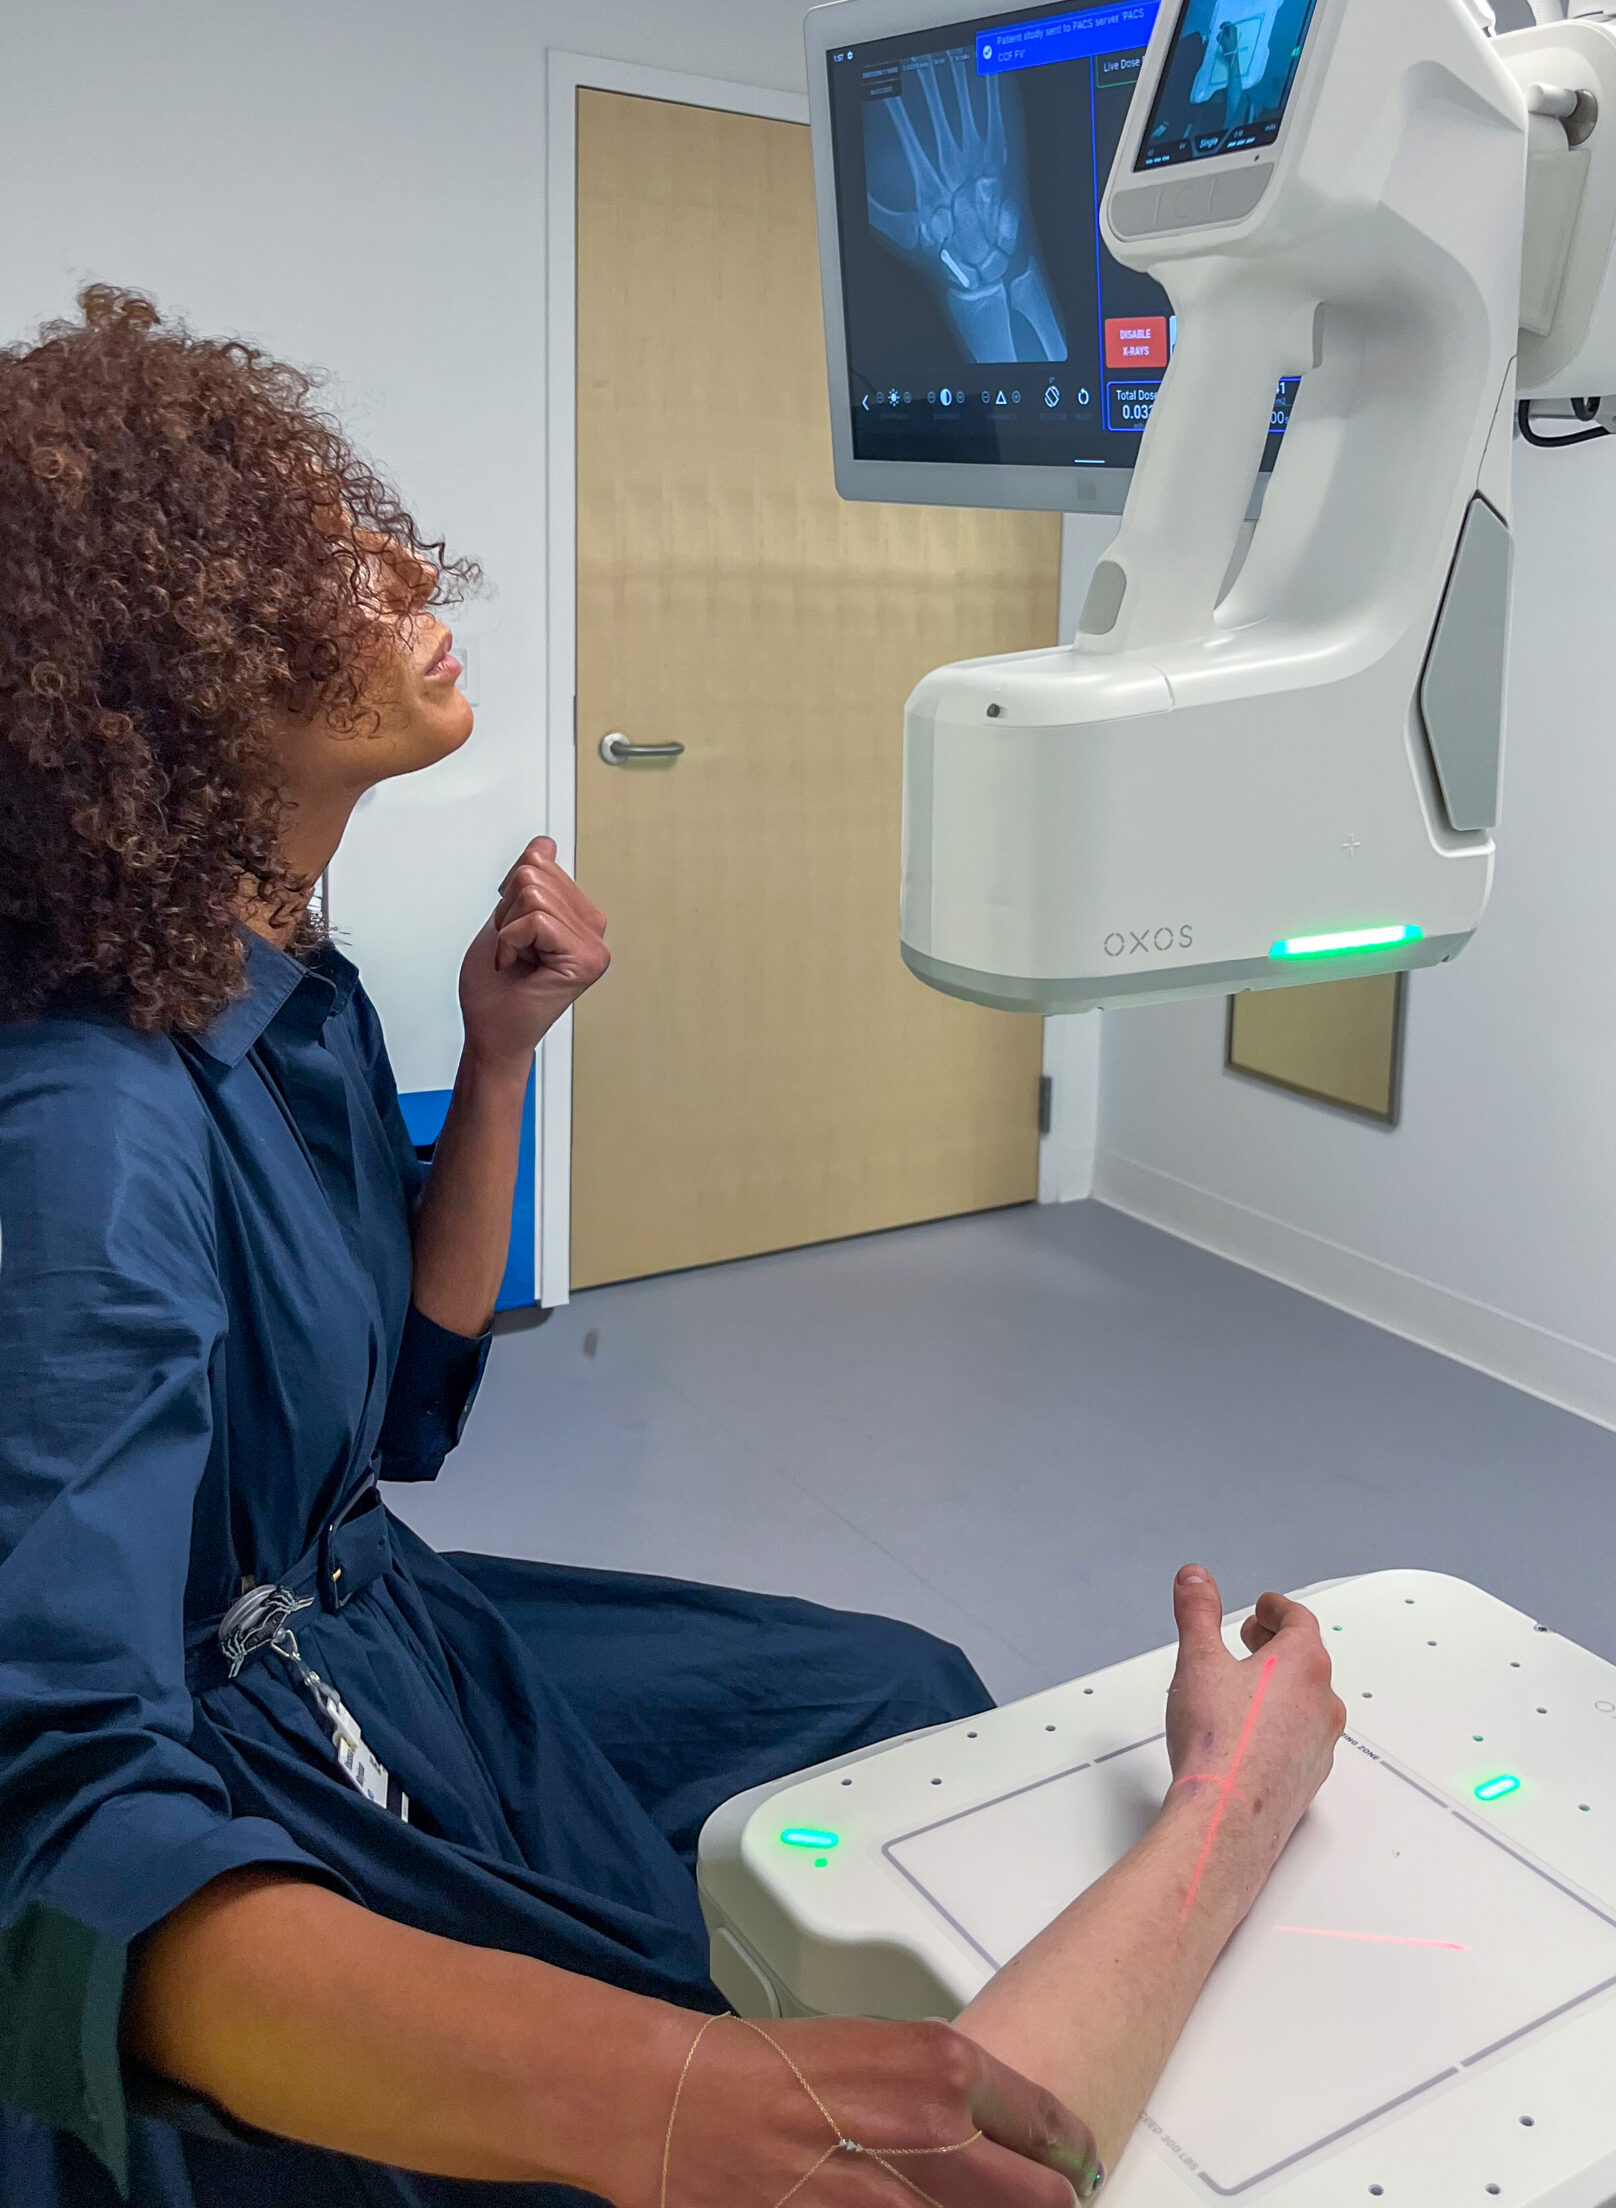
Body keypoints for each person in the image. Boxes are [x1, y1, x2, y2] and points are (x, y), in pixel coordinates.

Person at [0, 289, 1346, 2206]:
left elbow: (397, 1401)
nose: (402, 562)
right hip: (254, 1754)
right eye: (314, 555)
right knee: (692, 2016)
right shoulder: (91, 1125)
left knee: (899, 1690)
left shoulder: (276, 972)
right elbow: (57, 1825)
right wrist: (653, 2103)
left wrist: (499, 1048)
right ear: (169, 661)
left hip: (368, 1609)